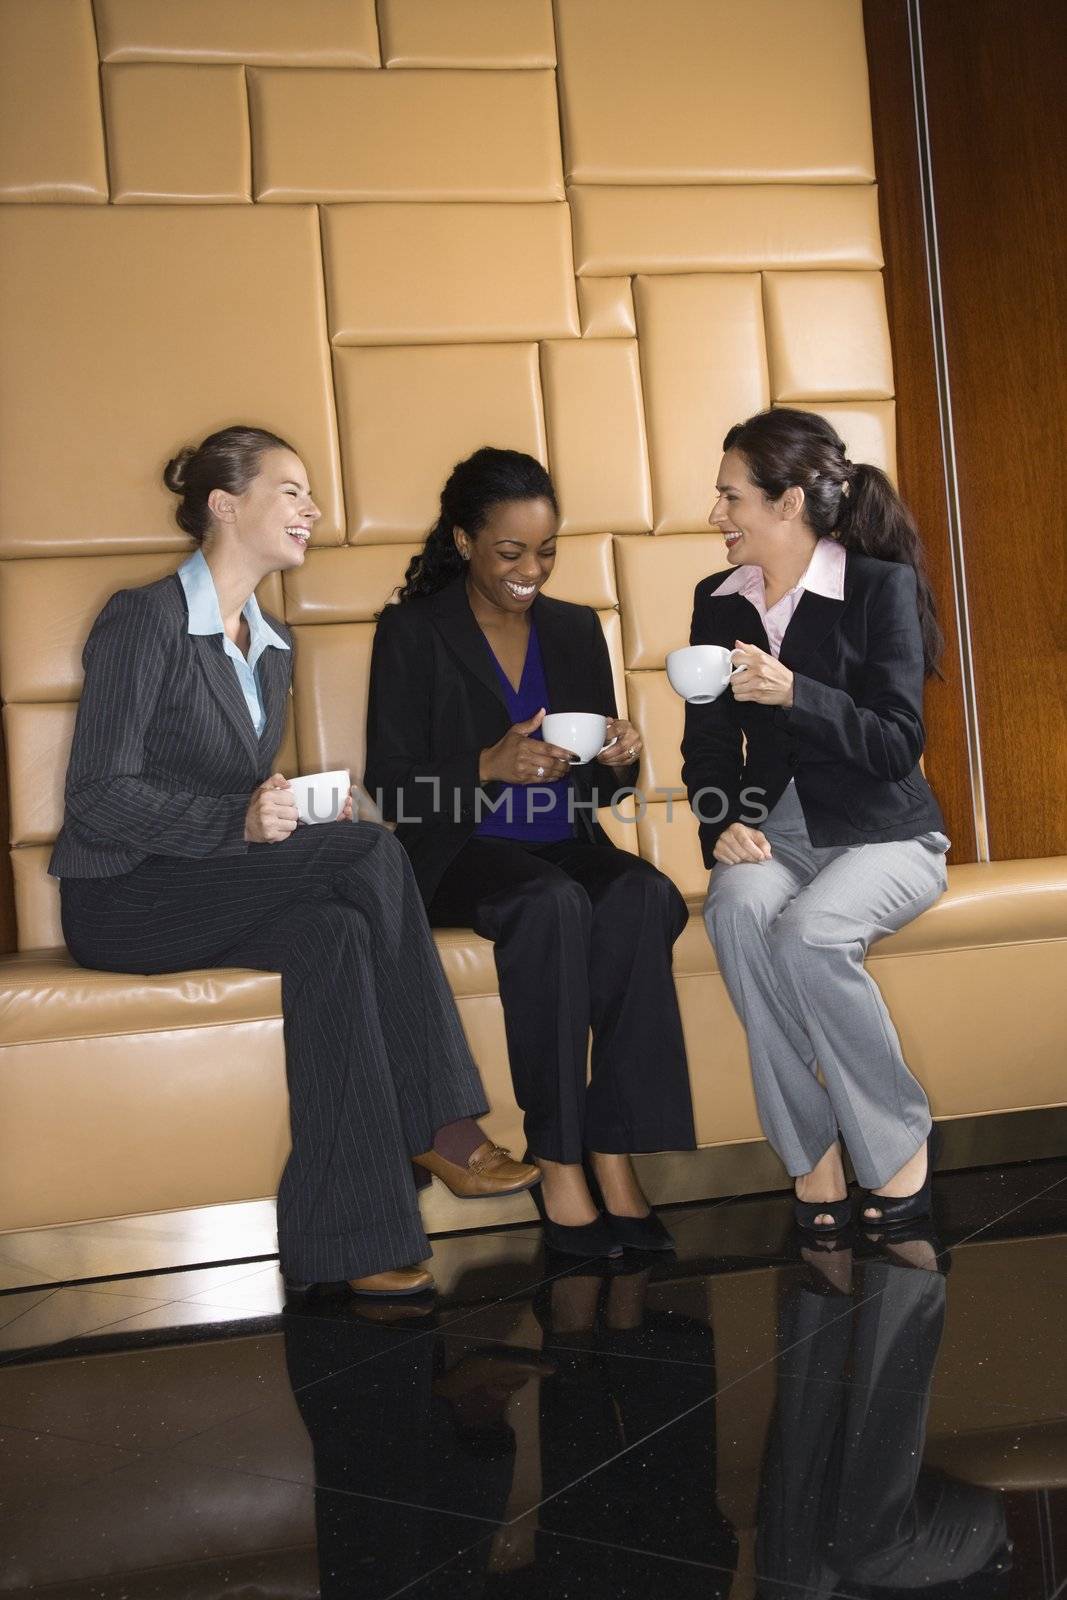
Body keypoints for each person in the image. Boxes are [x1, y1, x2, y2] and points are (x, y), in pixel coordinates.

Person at [50, 426, 537, 1301]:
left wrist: (288, 811)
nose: (313, 509)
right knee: (369, 853)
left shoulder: (272, 646)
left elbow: (240, 802)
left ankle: (355, 1238)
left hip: (209, 884)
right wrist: (237, 817)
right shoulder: (144, 618)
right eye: (291, 491)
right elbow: (96, 793)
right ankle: (440, 1119)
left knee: (334, 933)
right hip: (121, 896)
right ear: (224, 506)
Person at [365, 447, 696, 1258]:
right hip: (458, 852)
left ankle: (609, 1149)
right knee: (548, 905)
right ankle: (558, 1160)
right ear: (463, 541)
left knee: (643, 895)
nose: (531, 569)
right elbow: (395, 788)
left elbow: (604, 792)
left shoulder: (575, 629)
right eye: (510, 551)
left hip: (562, 840)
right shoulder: (412, 631)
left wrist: (620, 756)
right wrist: (487, 764)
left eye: (545, 551)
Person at [682, 408, 950, 1234]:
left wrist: (798, 692)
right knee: (735, 907)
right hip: (778, 831)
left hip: (885, 831)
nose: (716, 515)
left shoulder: (878, 588)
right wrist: (718, 826)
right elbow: (706, 746)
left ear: (787, 501)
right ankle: (811, 1151)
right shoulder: (716, 602)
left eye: (731, 497)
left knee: (807, 934)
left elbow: (897, 744)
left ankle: (894, 1138)